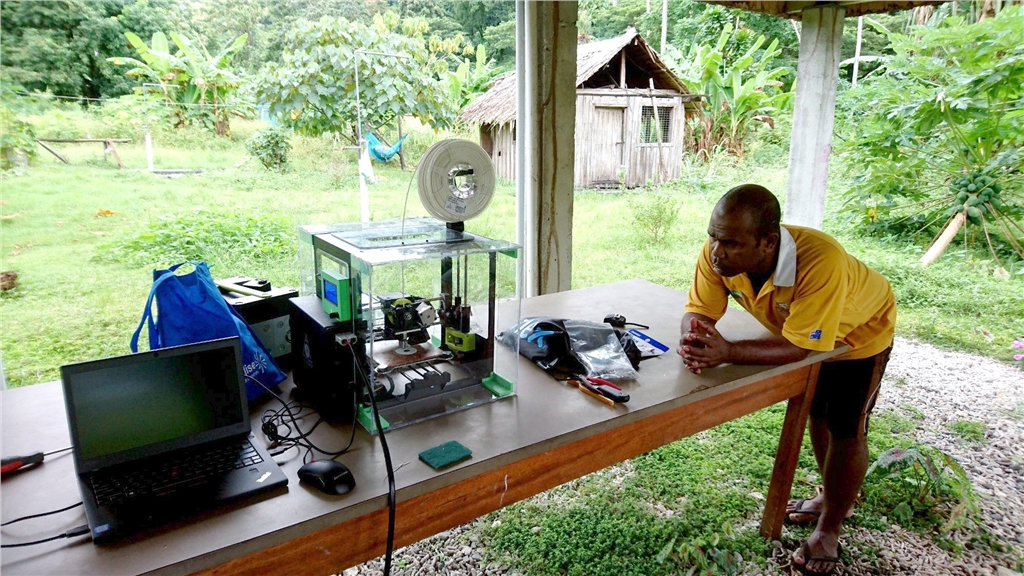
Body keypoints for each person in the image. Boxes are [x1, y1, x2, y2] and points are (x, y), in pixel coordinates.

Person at [678, 184, 896, 576]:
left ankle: (829, 528)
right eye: (712, 237)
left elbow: (802, 348)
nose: (716, 252)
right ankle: (832, 498)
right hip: (805, 332)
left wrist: (726, 351)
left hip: (859, 337)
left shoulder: (821, 261)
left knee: (846, 428)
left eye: (729, 243)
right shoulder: (718, 255)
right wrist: (694, 338)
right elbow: (700, 310)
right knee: (817, 414)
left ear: (768, 242)